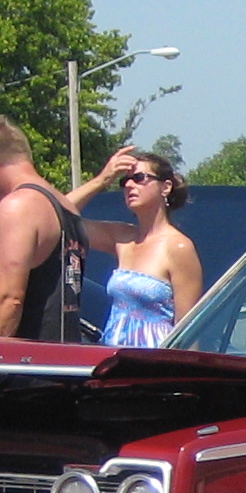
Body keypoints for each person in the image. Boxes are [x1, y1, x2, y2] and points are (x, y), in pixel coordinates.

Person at [66, 148, 205, 347]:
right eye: (124, 181)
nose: (129, 185)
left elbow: (188, 331)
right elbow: (60, 216)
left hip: (154, 363)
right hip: (115, 361)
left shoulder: (179, 247)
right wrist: (102, 180)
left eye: (139, 178)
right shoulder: (122, 237)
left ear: (165, 187)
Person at [0, 117, 89, 342]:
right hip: (64, 363)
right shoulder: (66, 207)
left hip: (26, 367)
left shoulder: (18, 206)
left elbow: (9, 298)